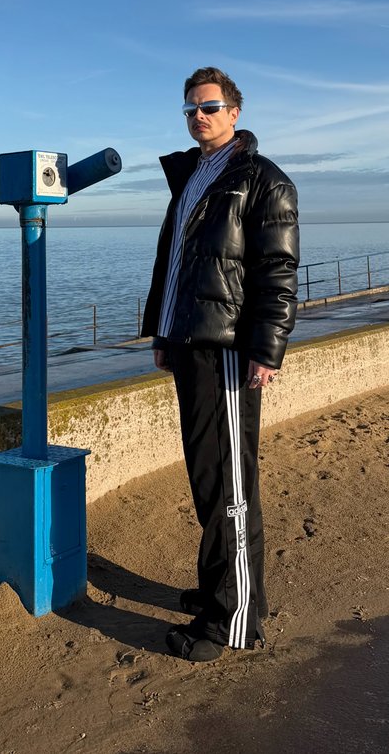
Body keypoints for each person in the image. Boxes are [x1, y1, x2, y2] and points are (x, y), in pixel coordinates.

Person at [141, 67, 299, 662]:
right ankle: (230, 592)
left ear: (234, 111)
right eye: (189, 109)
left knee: (227, 481)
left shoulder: (262, 180)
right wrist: (162, 330)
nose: (198, 116)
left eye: (208, 106)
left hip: (229, 349)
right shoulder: (191, 177)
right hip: (189, 341)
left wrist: (266, 349)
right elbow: (174, 263)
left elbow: (277, 274)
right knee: (210, 475)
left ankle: (229, 621)